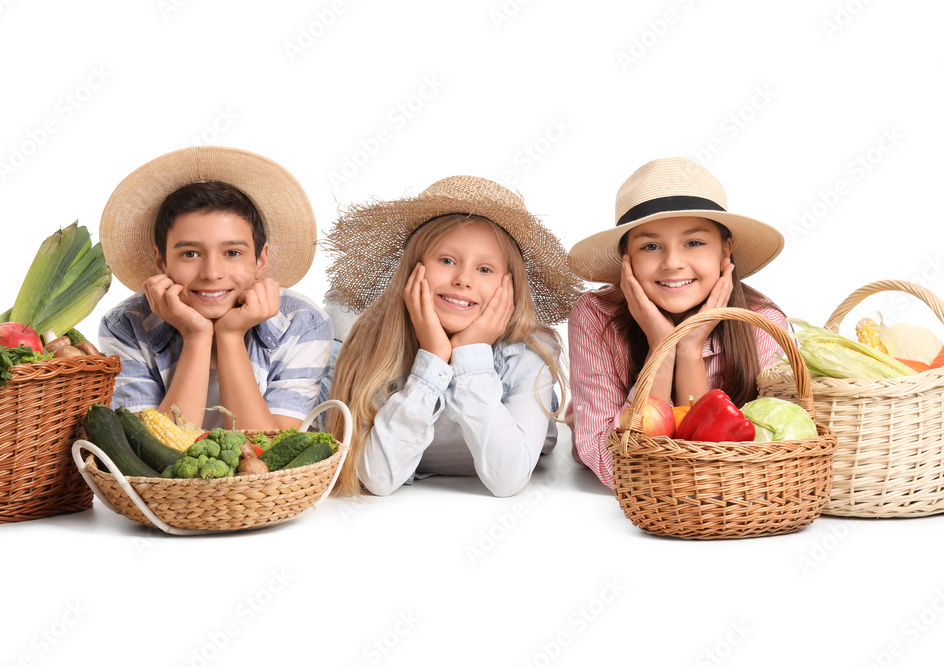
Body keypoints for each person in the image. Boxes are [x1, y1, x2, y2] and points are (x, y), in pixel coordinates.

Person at [323, 175, 582, 497]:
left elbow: (508, 480)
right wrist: (433, 357)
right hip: (362, 351)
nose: (463, 279)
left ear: (509, 285)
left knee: (541, 421)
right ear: (414, 268)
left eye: (484, 269)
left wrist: (471, 354)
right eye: (446, 261)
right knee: (336, 341)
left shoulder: (529, 353)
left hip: (513, 392)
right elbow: (377, 479)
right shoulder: (373, 341)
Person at [565, 157, 787, 490]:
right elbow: (613, 465)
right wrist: (662, 348)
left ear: (725, 249)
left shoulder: (763, 323)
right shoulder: (596, 316)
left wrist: (689, 349)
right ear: (627, 258)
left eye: (694, 243)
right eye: (650, 246)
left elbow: (721, 477)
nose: (672, 263)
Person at [97, 146, 333, 431]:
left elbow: (272, 449)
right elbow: (151, 451)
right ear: (161, 261)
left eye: (232, 253)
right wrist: (195, 336)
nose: (211, 273)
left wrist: (230, 336)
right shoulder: (126, 324)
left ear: (260, 260)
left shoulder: (303, 322)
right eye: (190, 254)